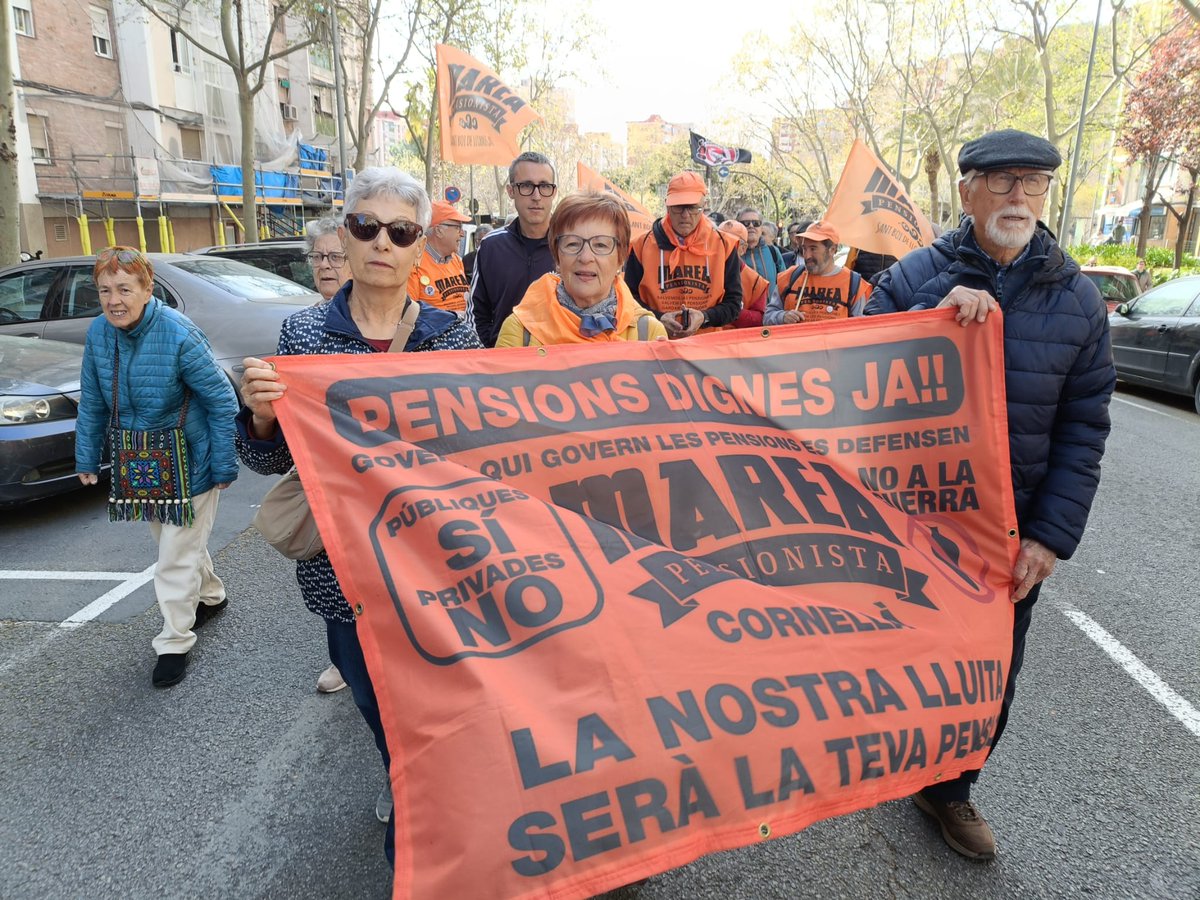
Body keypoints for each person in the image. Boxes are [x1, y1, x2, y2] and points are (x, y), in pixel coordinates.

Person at [865, 128, 1115, 861]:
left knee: (987, 671)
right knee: (890, 658)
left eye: (1033, 184)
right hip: (911, 525)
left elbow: (1084, 426)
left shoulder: (1079, 299)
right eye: (1002, 182)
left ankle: (949, 790)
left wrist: (1050, 535)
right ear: (967, 190)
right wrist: (937, 312)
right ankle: (867, 767)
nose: (1018, 198)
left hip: (1006, 537)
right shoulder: (912, 278)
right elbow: (850, 374)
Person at [235, 168, 483, 863]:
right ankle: (403, 777)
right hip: (340, 567)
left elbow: (479, 457)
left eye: (400, 231)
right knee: (375, 700)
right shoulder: (303, 333)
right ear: (345, 234)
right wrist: (258, 416)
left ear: (418, 246)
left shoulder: (452, 339)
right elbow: (268, 461)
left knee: (440, 697)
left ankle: (432, 798)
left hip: (434, 564)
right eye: (367, 226)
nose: (382, 242)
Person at [75, 247, 239, 688]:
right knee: (177, 545)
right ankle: (211, 595)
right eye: (105, 290)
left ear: (148, 290)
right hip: (142, 459)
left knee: (172, 556)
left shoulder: (178, 332)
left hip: (193, 459)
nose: (114, 300)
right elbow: (92, 398)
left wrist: (224, 462)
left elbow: (223, 400)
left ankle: (173, 642)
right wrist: (86, 456)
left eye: (125, 289)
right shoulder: (98, 333)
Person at [495, 191, 666, 346]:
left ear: (621, 258)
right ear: (557, 256)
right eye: (572, 244)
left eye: (600, 245)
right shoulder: (520, 331)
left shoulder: (648, 333)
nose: (585, 257)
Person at [624, 171, 742, 338]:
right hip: (655, 344)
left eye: (693, 207)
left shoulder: (725, 245)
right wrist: (658, 318)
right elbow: (628, 300)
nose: (685, 215)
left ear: (704, 205)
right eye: (679, 207)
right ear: (667, 206)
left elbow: (734, 305)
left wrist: (704, 317)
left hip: (704, 349)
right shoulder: (640, 245)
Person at [470, 151, 557, 346]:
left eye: (544, 186)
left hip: (557, 367)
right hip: (502, 364)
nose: (536, 196)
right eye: (526, 186)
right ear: (511, 191)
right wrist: (493, 353)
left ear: (554, 191)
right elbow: (476, 314)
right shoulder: (491, 246)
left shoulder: (572, 245)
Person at [765, 221, 871, 325]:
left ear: (832, 250)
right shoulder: (790, 277)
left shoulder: (854, 284)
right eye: (804, 248)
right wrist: (782, 317)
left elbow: (860, 329)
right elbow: (767, 317)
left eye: (813, 249)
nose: (807, 256)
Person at [408, 200, 474, 326]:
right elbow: (409, 314)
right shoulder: (414, 263)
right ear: (438, 231)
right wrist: (454, 316)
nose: (462, 234)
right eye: (458, 227)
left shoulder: (456, 260)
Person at [717, 219, 772, 329]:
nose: (723, 247)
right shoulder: (702, 269)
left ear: (743, 249)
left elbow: (760, 318)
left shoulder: (756, 281)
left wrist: (729, 310)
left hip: (735, 342)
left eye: (730, 243)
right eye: (719, 242)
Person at [737, 207, 786, 284]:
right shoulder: (732, 253)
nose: (751, 226)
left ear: (761, 228)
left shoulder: (772, 251)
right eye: (746, 223)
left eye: (756, 223)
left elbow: (784, 283)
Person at [305, 216, 348, 302]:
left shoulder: (372, 314)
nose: (323, 265)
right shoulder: (308, 314)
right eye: (317, 256)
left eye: (335, 256)